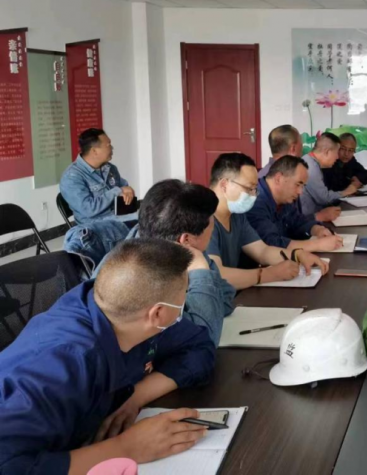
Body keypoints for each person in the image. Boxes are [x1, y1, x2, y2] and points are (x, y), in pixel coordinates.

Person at [0, 239, 215, 474]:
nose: (183, 304)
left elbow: (199, 346)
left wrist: (135, 396)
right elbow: (10, 466)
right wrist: (126, 447)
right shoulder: (64, 365)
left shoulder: (125, 310)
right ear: (158, 313)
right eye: (184, 296)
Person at [126, 179, 236, 346]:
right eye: (211, 231)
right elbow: (203, 339)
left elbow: (226, 298)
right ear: (186, 240)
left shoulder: (174, 244)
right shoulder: (133, 275)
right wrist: (200, 270)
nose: (211, 236)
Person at [207, 153, 329, 290]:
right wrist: (267, 274)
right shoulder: (203, 219)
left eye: (255, 190)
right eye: (249, 189)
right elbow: (215, 275)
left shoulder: (236, 216)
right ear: (224, 185)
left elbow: (262, 251)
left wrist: (297, 255)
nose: (253, 196)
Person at [247, 156, 344, 252]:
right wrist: (318, 245)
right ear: (278, 178)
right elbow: (271, 244)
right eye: (298, 184)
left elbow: (297, 221)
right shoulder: (254, 202)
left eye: (302, 186)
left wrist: (316, 229)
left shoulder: (284, 197)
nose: (300, 192)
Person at [260, 125, 341, 223]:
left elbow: (294, 218)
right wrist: (317, 217)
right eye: (301, 145)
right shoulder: (271, 180)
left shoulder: (266, 173)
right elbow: (284, 225)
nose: (300, 191)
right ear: (293, 148)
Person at [60, 128, 137, 224]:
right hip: (96, 226)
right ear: (94, 151)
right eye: (108, 145)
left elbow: (124, 188)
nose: (112, 148)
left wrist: (128, 192)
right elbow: (88, 209)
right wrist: (118, 191)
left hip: (119, 219)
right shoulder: (71, 177)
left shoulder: (109, 168)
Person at [300, 132, 360, 220]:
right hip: (308, 221)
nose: (337, 157)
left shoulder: (311, 162)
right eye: (336, 153)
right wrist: (347, 191)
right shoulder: (310, 167)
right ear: (327, 152)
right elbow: (324, 198)